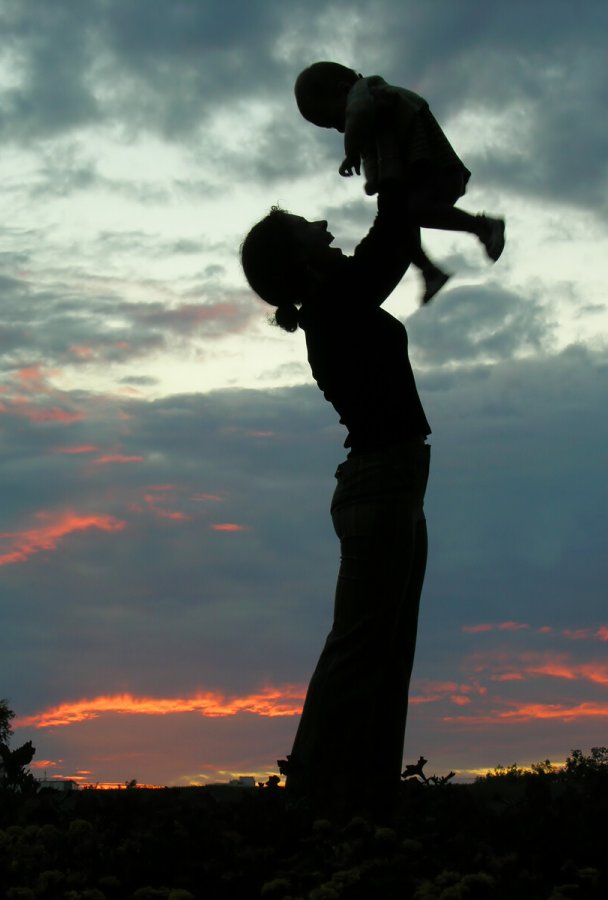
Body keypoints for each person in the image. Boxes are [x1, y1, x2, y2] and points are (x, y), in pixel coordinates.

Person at [240, 125, 431, 820]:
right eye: (306, 226)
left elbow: (392, 239)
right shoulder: (334, 304)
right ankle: (309, 794)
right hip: (381, 490)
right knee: (359, 652)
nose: (323, 224)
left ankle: (364, 794)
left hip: (395, 488)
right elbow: (394, 237)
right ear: (299, 256)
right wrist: (388, 152)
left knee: (384, 652)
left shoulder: (332, 303)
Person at [294, 60, 505, 304]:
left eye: (334, 121)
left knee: (409, 212)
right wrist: (374, 180)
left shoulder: (364, 92)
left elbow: (358, 119)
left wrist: (349, 153)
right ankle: (429, 271)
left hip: (436, 169)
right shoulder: (367, 115)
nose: (341, 129)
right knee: (400, 222)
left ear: (343, 89)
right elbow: (370, 153)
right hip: (420, 178)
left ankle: (483, 226)